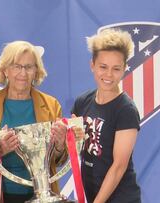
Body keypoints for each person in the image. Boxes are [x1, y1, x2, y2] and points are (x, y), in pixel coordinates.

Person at [0, 41, 68, 203]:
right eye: (17, 66)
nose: (23, 73)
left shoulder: (51, 105)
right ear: (5, 70)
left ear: (36, 71)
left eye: (29, 67)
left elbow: (58, 161)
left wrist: (60, 145)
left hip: (41, 196)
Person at [71, 28, 141, 202]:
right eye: (103, 67)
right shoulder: (82, 101)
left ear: (124, 68)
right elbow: (73, 149)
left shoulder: (126, 110)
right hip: (92, 192)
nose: (109, 74)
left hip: (121, 197)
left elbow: (119, 166)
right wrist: (71, 137)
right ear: (92, 65)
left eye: (116, 68)